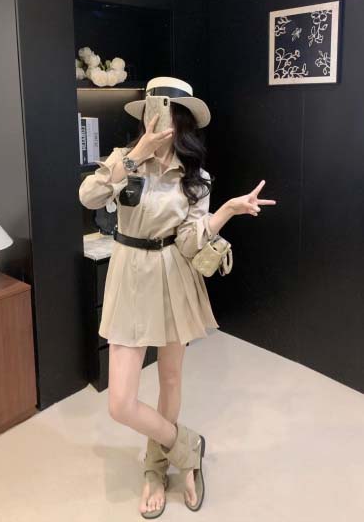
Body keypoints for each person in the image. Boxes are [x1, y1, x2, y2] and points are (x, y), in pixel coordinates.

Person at [79, 77, 276, 517]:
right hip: (129, 275)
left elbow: (189, 241)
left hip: (173, 276)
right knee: (120, 403)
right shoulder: (124, 159)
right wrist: (135, 156)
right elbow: (88, 196)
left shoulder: (195, 177)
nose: (160, 120)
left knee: (170, 378)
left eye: (168, 112)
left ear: (182, 120)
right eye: (154, 109)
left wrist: (227, 211)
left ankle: (155, 466)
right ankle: (186, 447)